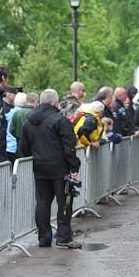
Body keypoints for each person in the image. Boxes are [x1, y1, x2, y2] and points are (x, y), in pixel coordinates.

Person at [20, 89, 81, 249]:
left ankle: (44, 238)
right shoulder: (60, 121)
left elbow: (24, 148)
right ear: (55, 103)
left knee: (42, 203)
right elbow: (69, 146)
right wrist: (74, 165)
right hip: (60, 168)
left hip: (40, 167)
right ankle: (63, 237)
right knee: (65, 202)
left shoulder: (28, 122)